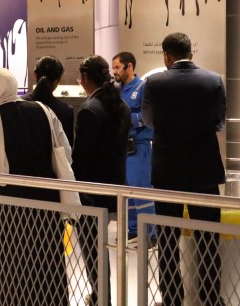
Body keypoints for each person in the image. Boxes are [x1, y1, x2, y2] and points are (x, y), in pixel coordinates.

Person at [0, 68, 71, 306]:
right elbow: (64, 153)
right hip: (45, 199)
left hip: (6, 205)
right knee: (47, 264)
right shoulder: (44, 110)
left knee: (10, 267)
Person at [141, 32, 226, 306]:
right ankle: (210, 298)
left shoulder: (154, 82)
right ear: (191, 52)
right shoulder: (213, 80)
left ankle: (172, 299)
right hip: (205, 170)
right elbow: (219, 121)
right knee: (208, 239)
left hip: (168, 170)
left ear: (167, 56)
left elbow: (148, 120)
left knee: (168, 240)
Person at [73, 55, 131, 306]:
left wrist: (75, 190)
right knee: (105, 249)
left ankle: (101, 298)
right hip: (115, 185)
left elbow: (82, 158)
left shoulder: (89, 110)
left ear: (85, 77)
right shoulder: (121, 106)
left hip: (91, 192)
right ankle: (103, 297)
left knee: (93, 250)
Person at [112, 51, 156, 242]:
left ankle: (151, 233)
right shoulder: (116, 91)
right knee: (127, 193)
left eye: (117, 67)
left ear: (129, 66)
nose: (114, 72)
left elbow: (149, 116)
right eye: (113, 68)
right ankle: (133, 230)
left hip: (139, 147)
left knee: (142, 191)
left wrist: (126, 118)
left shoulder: (143, 87)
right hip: (121, 149)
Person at [22, 55, 75, 146]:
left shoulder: (19, 103)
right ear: (57, 80)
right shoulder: (66, 111)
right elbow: (67, 146)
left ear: (35, 74)